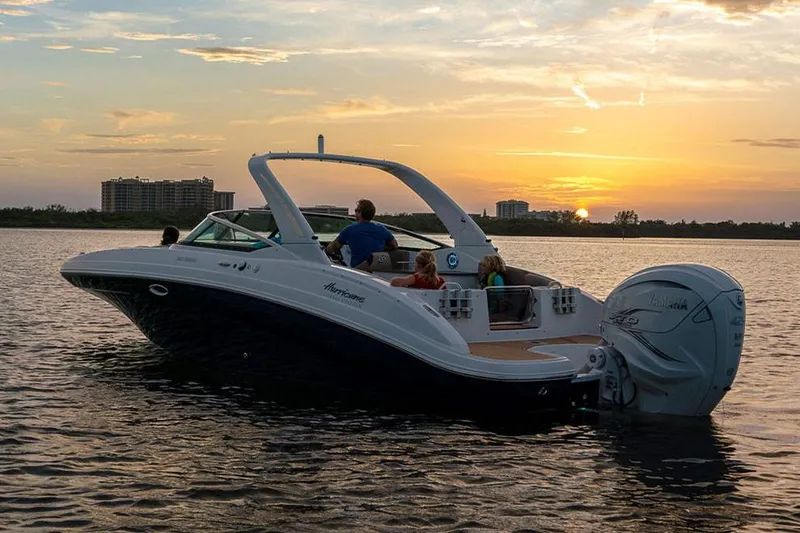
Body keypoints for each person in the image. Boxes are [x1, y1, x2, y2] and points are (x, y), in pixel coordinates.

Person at [325, 199, 398, 270]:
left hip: (359, 272)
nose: (355, 213)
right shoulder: (382, 229)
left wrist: (326, 250)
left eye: (356, 210)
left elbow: (332, 248)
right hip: (379, 271)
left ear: (360, 213)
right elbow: (394, 245)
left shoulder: (349, 230)